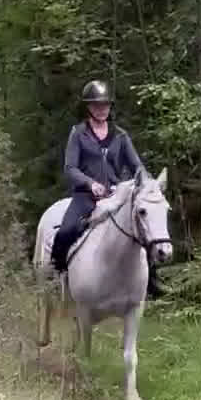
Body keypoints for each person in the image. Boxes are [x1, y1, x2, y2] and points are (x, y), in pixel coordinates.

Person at [50, 80, 164, 296]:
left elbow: (136, 165)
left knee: (144, 229)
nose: (101, 109)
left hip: (116, 195)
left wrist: (147, 184)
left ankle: (151, 283)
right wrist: (89, 183)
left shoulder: (120, 135)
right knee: (65, 230)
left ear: (110, 107)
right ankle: (59, 273)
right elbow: (70, 168)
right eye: (96, 105)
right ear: (89, 108)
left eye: (105, 105)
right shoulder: (78, 133)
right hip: (86, 196)